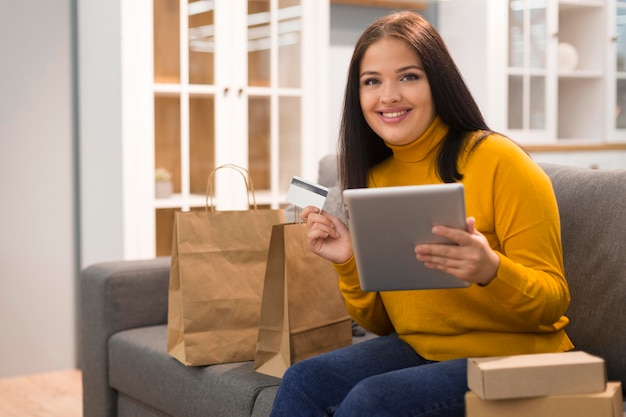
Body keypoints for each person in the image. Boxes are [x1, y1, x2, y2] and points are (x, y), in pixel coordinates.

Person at [269, 10, 573, 417]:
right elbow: (383, 324)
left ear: (438, 83)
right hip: (422, 349)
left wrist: (491, 270)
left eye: (408, 77)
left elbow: (554, 300)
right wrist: (350, 264)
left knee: (372, 402)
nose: (388, 95)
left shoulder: (500, 160)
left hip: (520, 358)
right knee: (302, 381)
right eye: (371, 81)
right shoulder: (374, 178)